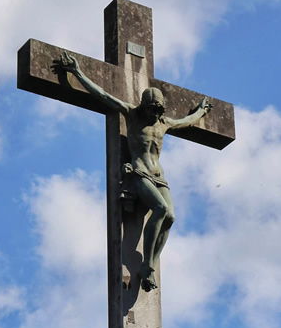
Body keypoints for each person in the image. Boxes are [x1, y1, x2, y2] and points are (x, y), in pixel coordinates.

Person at [56, 52, 212, 291]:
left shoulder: (164, 123)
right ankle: (147, 267)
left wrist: (201, 112)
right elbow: (103, 95)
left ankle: (151, 261)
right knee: (160, 209)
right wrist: (77, 72)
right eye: (150, 109)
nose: (154, 114)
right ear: (144, 106)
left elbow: (186, 121)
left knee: (170, 217)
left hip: (159, 176)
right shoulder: (131, 113)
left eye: (157, 110)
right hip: (138, 173)